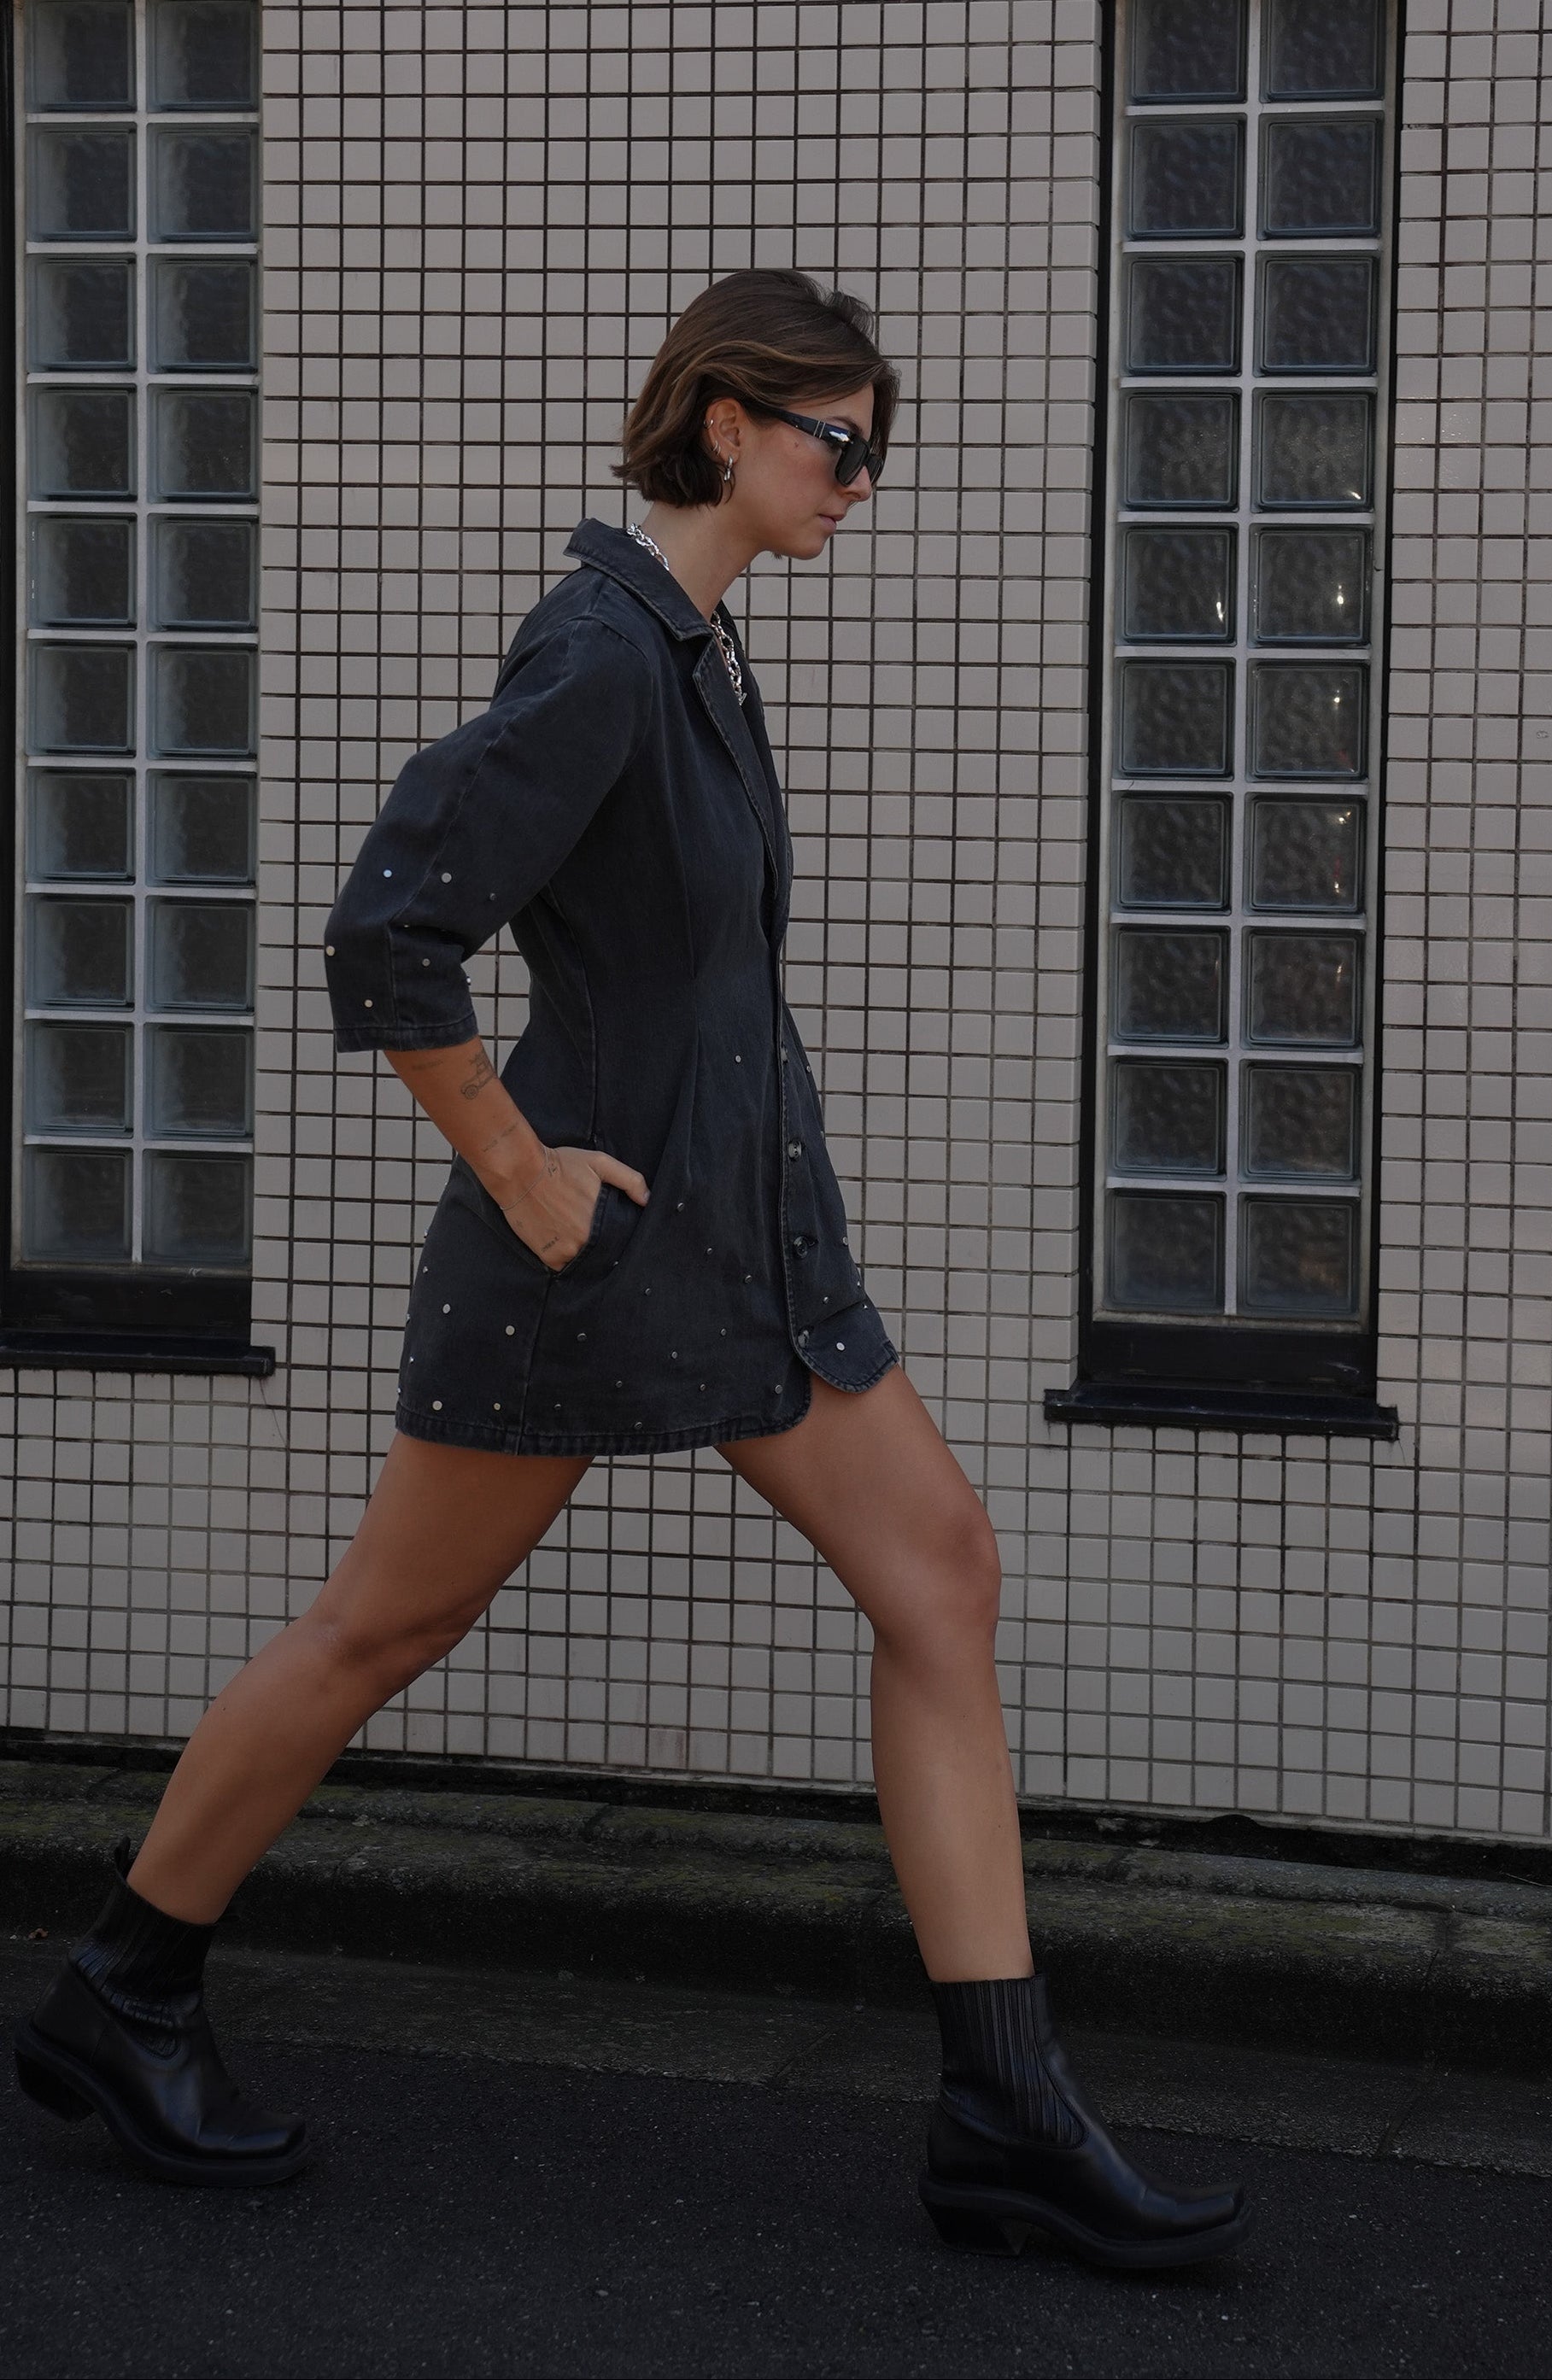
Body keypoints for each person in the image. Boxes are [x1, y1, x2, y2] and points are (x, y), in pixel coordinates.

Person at [15, 267, 1245, 2270]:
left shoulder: (693, 646)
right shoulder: (601, 647)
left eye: (875, 448)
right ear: (725, 423)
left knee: (941, 1568)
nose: (860, 479)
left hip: (753, 1245)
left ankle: (1003, 2111)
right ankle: (122, 1988)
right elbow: (389, 932)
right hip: (592, 1263)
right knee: (376, 1633)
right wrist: (517, 1163)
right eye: (838, 441)